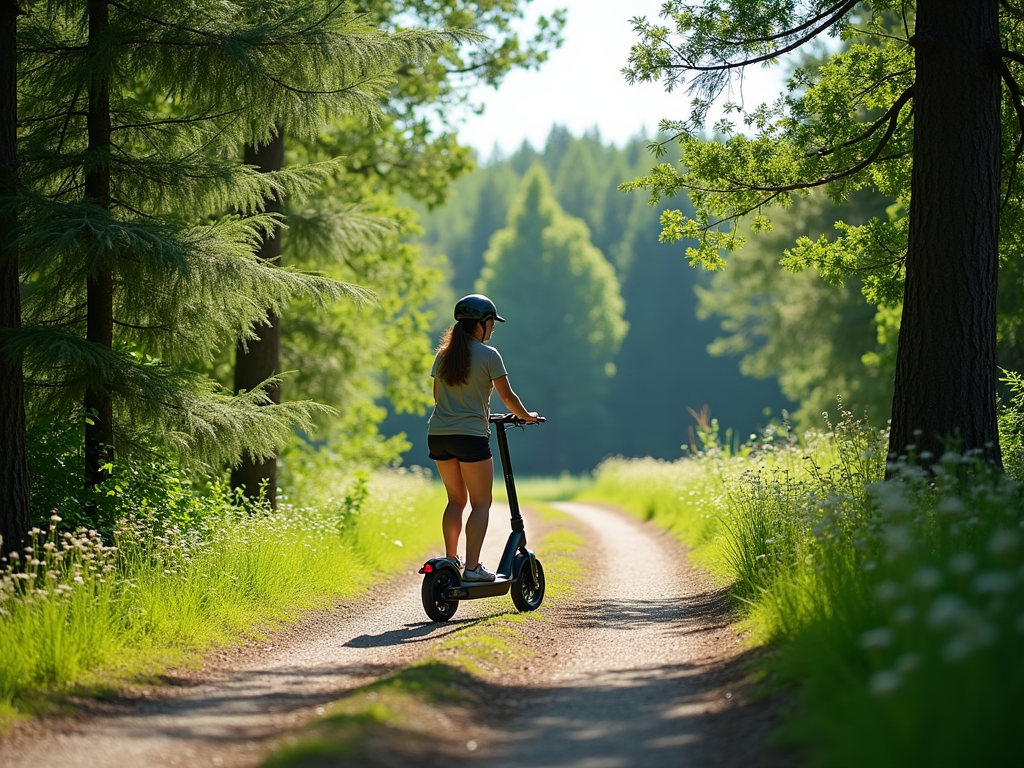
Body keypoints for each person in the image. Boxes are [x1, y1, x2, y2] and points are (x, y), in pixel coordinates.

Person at [427, 294, 539, 582]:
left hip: (438, 435)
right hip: (470, 437)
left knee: (455, 500)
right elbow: (507, 397)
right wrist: (526, 416)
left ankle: (451, 560)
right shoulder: (489, 355)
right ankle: (473, 567)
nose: (493, 329)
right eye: (492, 324)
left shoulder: (443, 355)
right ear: (481, 324)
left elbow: (438, 397)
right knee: (481, 503)